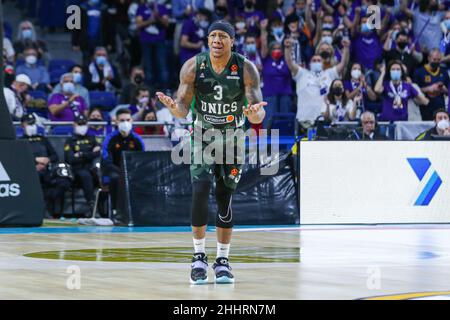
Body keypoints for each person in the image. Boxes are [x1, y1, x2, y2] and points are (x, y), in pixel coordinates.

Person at [156, 20, 266, 285]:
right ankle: (198, 257)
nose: (217, 40)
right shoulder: (194, 66)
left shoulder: (246, 68)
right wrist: (174, 109)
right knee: (201, 189)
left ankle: (223, 260)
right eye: (212, 35)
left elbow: (259, 111)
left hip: (232, 136)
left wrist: (254, 114)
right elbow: (182, 108)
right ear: (207, 40)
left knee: (225, 195)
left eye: (222, 36)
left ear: (232, 41)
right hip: (202, 135)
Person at [284, 36, 349, 129]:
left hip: (324, 119)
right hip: (304, 120)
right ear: (310, 63)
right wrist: (287, 49)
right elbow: (289, 62)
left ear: (322, 63)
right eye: (314, 60)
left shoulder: (329, 74)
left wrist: (346, 48)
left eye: (319, 60)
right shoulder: (302, 73)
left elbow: (343, 64)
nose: (316, 62)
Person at [20, 114, 71, 217]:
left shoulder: (42, 139)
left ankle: (52, 211)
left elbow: (54, 156)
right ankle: (39, 211)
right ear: (22, 125)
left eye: (33, 123)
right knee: (37, 179)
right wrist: (35, 161)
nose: (31, 126)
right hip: (30, 172)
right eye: (28, 124)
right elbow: (18, 159)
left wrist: (47, 160)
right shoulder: (20, 141)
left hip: (47, 171)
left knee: (63, 182)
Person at [101, 109, 145, 213]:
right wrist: (122, 171)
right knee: (115, 179)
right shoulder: (110, 139)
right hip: (115, 171)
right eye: (122, 120)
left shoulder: (137, 140)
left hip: (133, 171)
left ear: (132, 121)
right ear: (116, 122)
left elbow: (143, 160)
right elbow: (107, 161)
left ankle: (139, 211)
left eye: (128, 119)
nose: (125, 122)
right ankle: (116, 211)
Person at [64, 114, 101, 215]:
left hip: (92, 168)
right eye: (79, 124)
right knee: (85, 175)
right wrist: (90, 154)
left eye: (84, 124)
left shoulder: (92, 138)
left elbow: (99, 152)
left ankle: (108, 208)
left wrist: (81, 154)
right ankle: (92, 206)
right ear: (74, 125)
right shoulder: (70, 140)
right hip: (77, 171)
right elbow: (70, 159)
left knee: (102, 176)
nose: (82, 126)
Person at [260, 19, 293, 128]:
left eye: (279, 48)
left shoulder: (286, 59)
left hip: (285, 95)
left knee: (285, 123)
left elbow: (289, 51)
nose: (276, 50)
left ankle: (285, 146)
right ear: (270, 50)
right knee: (269, 123)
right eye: (274, 48)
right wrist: (263, 29)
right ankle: (267, 145)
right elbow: (264, 44)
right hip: (270, 95)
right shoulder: (266, 59)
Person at [136, 0, 170, 90]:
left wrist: (157, 16)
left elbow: (166, 23)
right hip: (146, 41)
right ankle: (150, 90)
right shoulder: (141, 8)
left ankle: (165, 89)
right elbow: (138, 24)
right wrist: (150, 20)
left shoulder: (162, 8)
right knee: (148, 66)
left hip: (160, 40)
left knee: (162, 65)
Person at [413, 49, 450, 121]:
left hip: (440, 107)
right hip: (425, 107)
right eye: (434, 59)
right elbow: (414, 90)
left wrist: (444, 89)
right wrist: (429, 88)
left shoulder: (444, 72)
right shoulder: (419, 72)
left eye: (438, 60)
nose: (436, 62)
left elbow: (448, 90)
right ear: (429, 58)